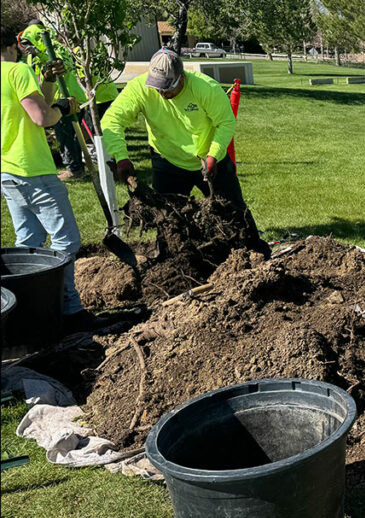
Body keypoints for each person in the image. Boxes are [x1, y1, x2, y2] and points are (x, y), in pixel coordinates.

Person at [2, 20, 103, 332]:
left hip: (7, 170)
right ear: (12, 47)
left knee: (28, 242)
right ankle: (71, 310)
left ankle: (22, 311)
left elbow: (27, 108)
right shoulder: (16, 71)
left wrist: (45, 80)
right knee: (67, 240)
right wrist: (62, 108)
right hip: (33, 168)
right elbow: (42, 117)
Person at [101, 49, 248, 211]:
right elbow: (112, 120)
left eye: (167, 86)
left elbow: (226, 122)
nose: (162, 92)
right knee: (169, 220)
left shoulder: (206, 88)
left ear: (182, 77)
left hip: (210, 160)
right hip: (167, 161)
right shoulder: (139, 88)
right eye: (157, 87)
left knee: (235, 213)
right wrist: (121, 156)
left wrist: (214, 155)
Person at [18, 20, 90, 181]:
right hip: (52, 99)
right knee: (65, 136)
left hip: (67, 98)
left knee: (67, 136)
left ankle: (75, 170)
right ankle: (76, 166)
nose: (27, 47)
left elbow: (64, 65)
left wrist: (42, 55)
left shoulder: (56, 48)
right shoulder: (32, 55)